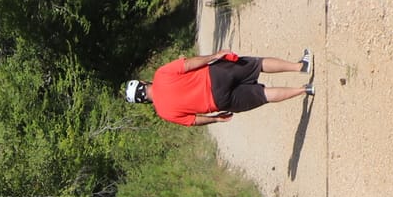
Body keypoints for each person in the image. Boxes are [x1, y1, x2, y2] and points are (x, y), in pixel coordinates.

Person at [124, 49, 314, 127]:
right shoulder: (161, 75)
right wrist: (214, 56)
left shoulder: (164, 113)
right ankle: (300, 67)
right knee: (257, 65)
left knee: (263, 95)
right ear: (142, 82)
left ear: (142, 101)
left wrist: (216, 119)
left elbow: (194, 120)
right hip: (217, 75)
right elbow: (189, 64)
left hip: (219, 102)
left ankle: (305, 90)